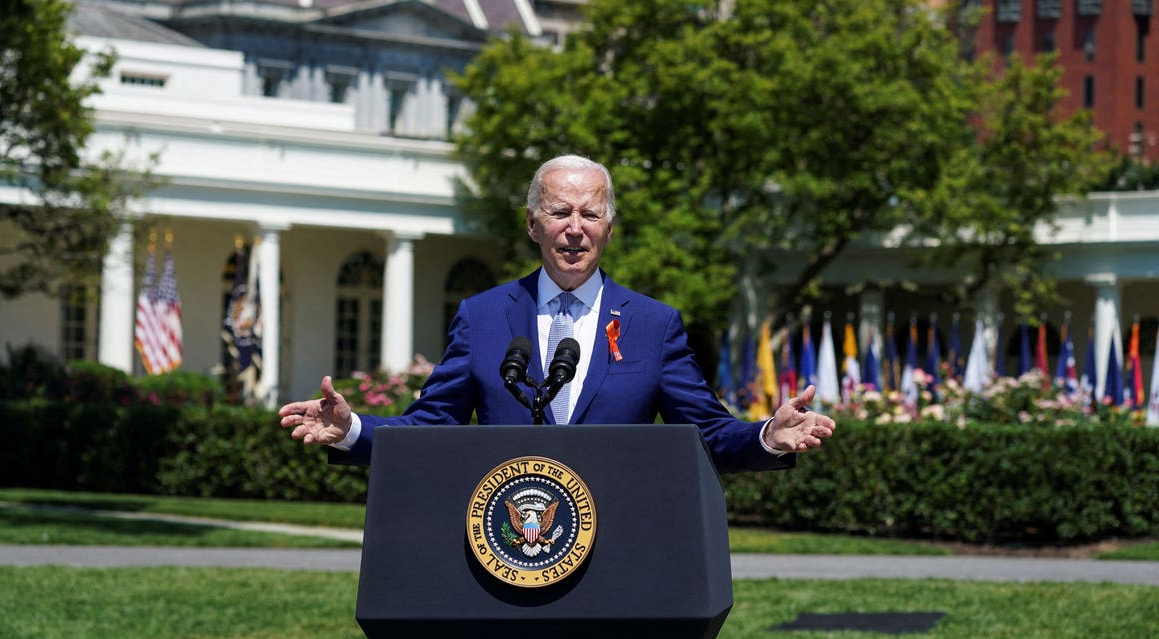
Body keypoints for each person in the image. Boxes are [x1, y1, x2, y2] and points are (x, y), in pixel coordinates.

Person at [279, 154, 835, 472]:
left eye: (590, 213)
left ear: (609, 229)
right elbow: (431, 427)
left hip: (621, 543)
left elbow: (709, 433)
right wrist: (352, 429)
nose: (575, 227)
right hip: (506, 543)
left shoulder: (652, 324)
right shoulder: (482, 316)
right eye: (559, 211)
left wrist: (766, 435)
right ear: (532, 223)